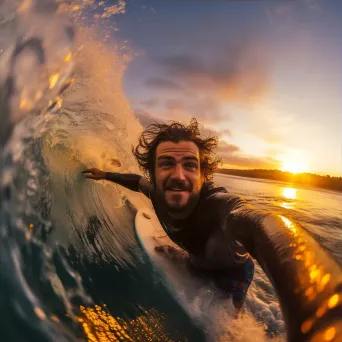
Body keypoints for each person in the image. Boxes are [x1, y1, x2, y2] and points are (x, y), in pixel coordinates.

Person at [82, 119, 260, 313]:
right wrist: (105, 175)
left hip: (235, 273)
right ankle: (186, 257)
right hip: (199, 261)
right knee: (195, 264)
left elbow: (257, 222)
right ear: (153, 173)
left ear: (203, 175)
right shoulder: (156, 192)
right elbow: (137, 181)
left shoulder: (218, 205)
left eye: (190, 165)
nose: (178, 176)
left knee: (231, 319)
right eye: (166, 164)